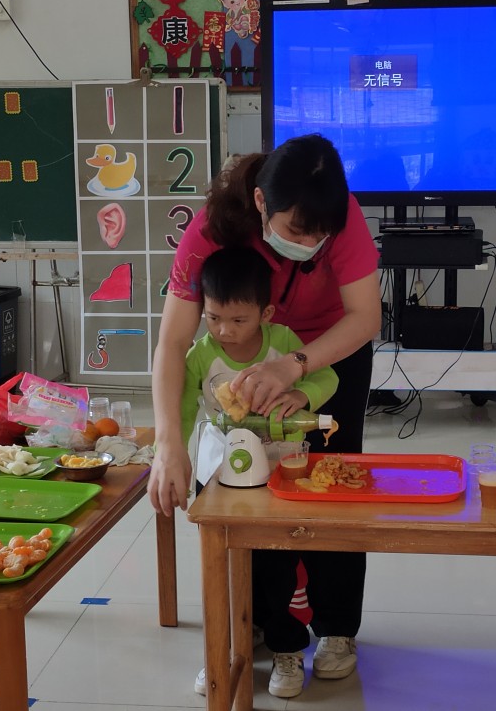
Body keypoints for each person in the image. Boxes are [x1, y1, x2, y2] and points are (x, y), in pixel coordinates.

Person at [149, 134, 382, 698]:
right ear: (260, 202)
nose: (310, 243)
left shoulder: (339, 215)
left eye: (319, 235)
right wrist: (169, 443)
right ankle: (254, 618)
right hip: (243, 352)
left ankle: (336, 626)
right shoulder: (211, 230)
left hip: (328, 348)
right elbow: (174, 342)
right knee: (245, 492)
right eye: (296, 232)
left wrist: (295, 366)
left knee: (333, 485)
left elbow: (365, 318)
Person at [181, 246, 338, 487]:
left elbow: (327, 377)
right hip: (220, 460)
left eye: (238, 320)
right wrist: (170, 455)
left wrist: (301, 395)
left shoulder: (283, 340)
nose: (224, 330)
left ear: (266, 314)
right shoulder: (200, 355)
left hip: (283, 457)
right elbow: (182, 411)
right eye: (213, 318)